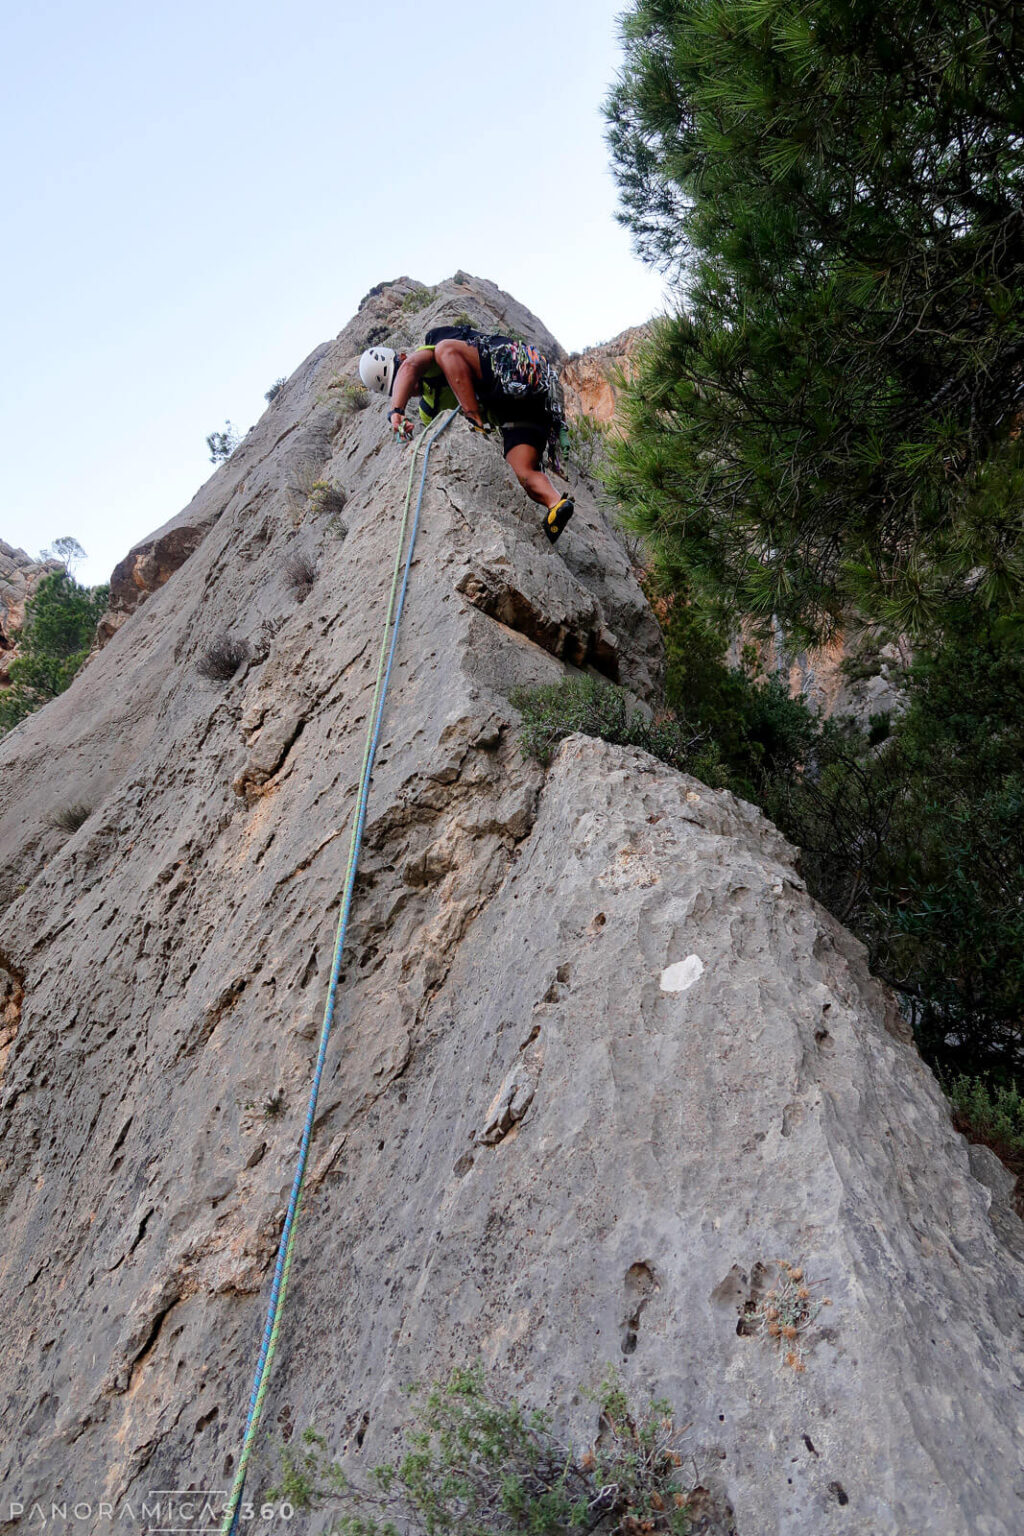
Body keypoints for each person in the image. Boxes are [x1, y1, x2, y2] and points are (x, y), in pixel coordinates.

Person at [359, 326, 575, 543]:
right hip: (522, 407)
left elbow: (411, 366)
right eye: (395, 388)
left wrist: (396, 410)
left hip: (511, 370)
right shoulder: (429, 411)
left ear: (402, 359)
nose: (410, 387)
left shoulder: (426, 357)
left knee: (444, 349)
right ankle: (556, 504)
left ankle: (476, 421)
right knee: (521, 471)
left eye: (398, 379)